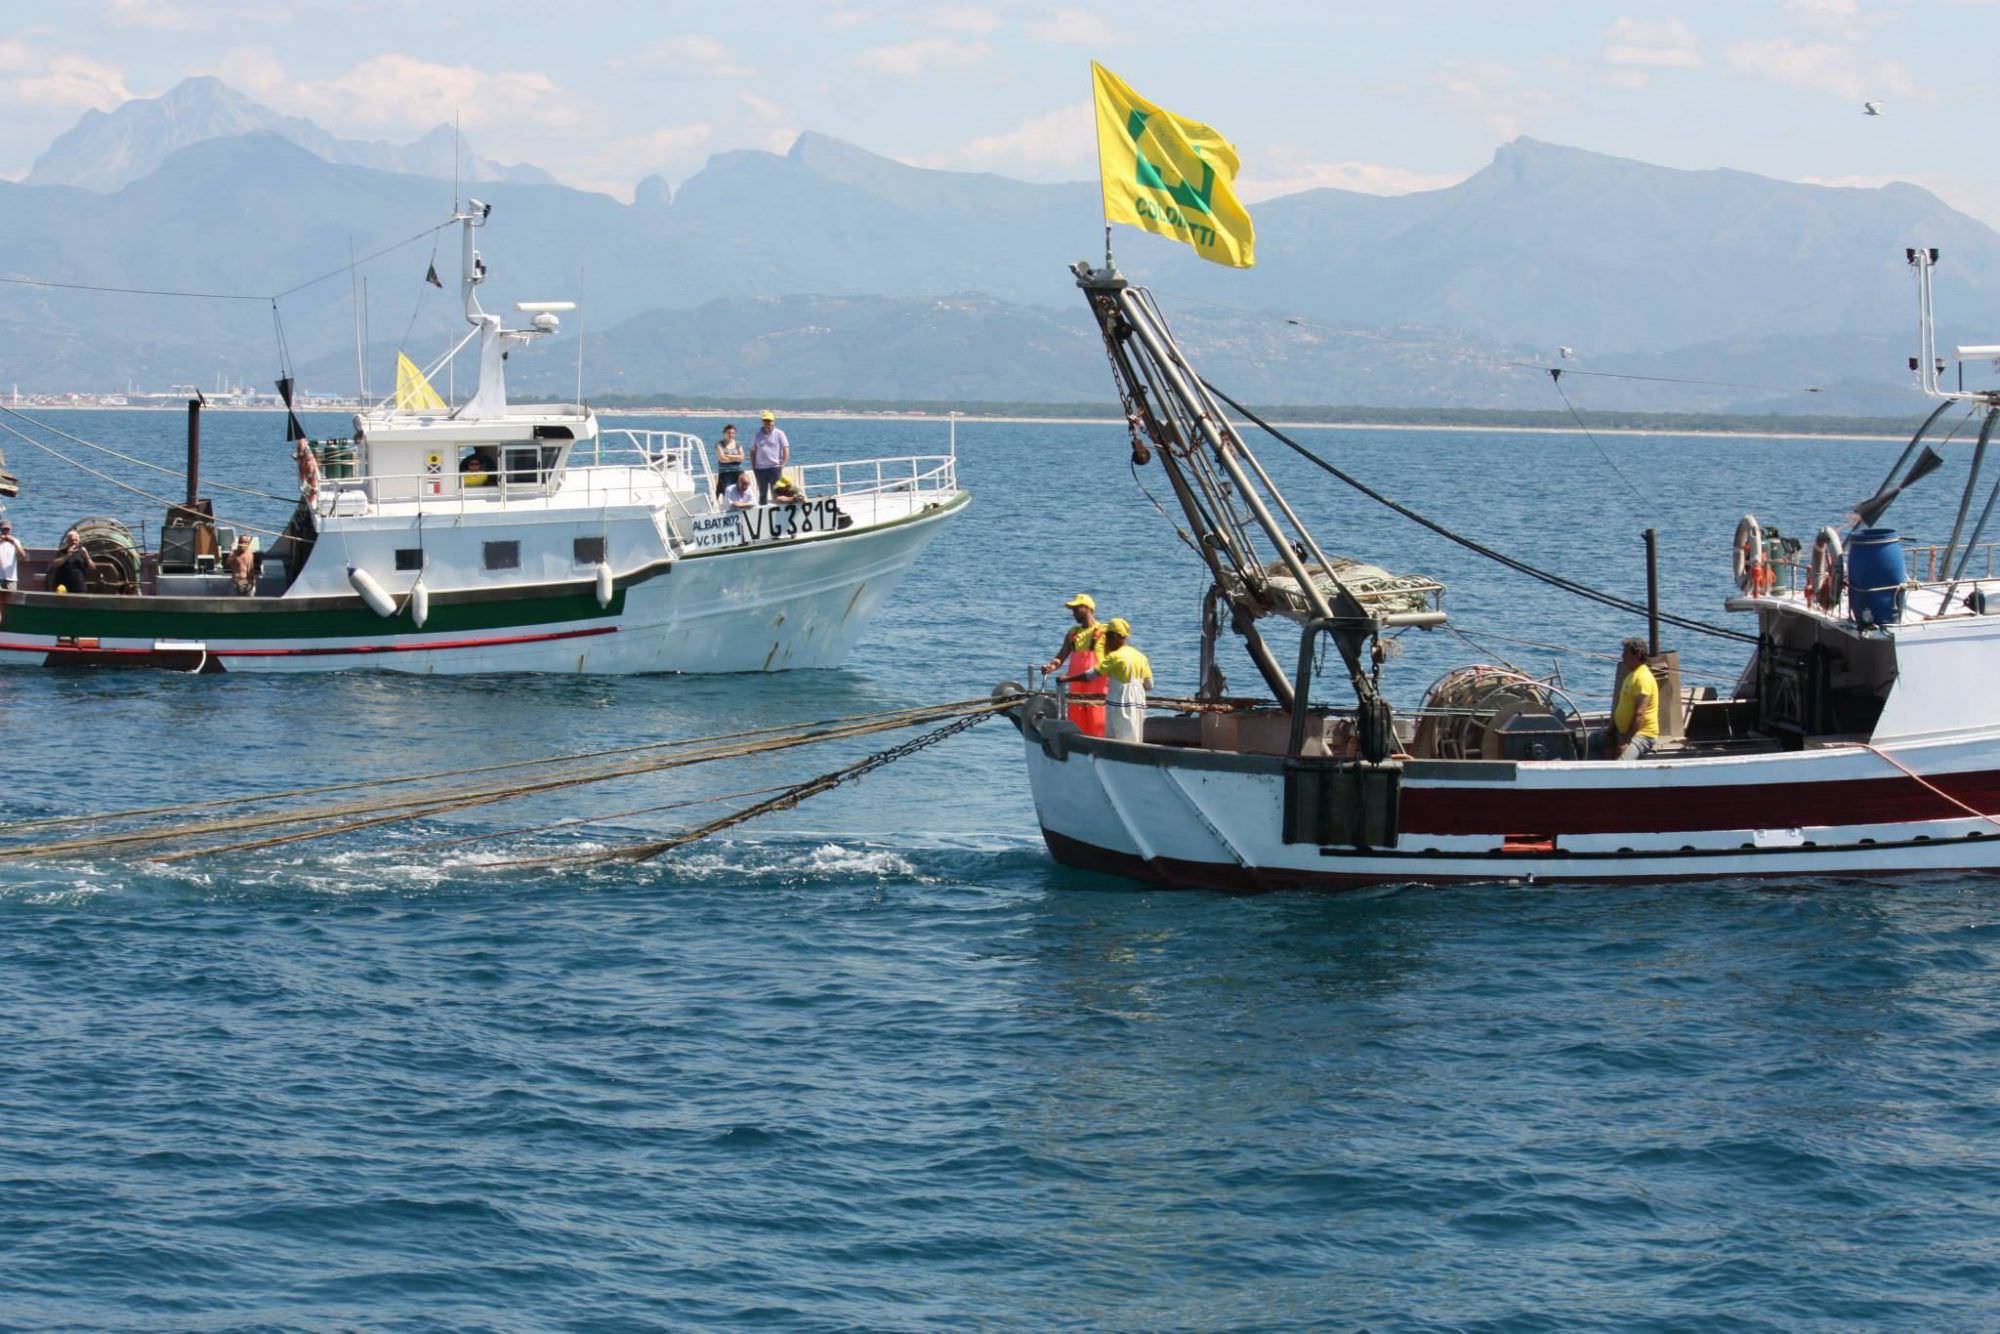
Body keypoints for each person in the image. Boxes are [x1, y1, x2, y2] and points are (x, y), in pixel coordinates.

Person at [1071, 617, 1153, 743]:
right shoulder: (1141, 657)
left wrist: (1067, 679)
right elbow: (1149, 685)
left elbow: (1090, 675)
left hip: (1119, 703)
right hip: (1138, 703)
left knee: (1117, 739)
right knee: (1135, 737)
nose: (1106, 642)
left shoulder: (1115, 657)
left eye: (1108, 637)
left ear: (1116, 636)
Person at [1044, 592, 1108, 737]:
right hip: (1075, 686)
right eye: (1072, 610)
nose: (1073, 613)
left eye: (1076, 609)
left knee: (1097, 723)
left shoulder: (1103, 631)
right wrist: (1052, 666)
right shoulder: (1073, 633)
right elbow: (1061, 656)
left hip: (1097, 686)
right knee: (1077, 725)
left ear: (1087, 608)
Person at [1606, 635, 1661, 760]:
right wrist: (1610, 731)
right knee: (1592, 742)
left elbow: (1639, 714)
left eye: (1626, 653)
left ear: (1637, 654)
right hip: (1621, 732)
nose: (1622, 656)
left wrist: (1626, 741)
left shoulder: (1643, 678)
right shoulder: (1631, 676)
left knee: (1622, 763)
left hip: (1641, 735)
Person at [750, 409, 790, 505]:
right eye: (765, 421)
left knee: (776, 492)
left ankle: (777, 510)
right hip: (760, 469)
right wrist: (753, 466)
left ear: (773, 421)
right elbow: (752, 451)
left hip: (774, 468)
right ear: (763, 422)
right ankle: (762, 510)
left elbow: (786, 449)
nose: (768, 423)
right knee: (762, 493)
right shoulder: (757, 435)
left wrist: (783, 464)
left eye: (769, 421)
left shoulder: (779, 433)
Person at [47, 528, 94, 594]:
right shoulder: (62, 552)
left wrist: (86, 556)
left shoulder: (82, 552)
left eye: (76, 540)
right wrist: (67, 556)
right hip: (63, 587)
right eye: (71, 540)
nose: (74, 542)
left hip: (79, 587)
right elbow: (55, 564)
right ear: (67, 542)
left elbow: (92, 567)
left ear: (79, 541)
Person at [713, 424, 745, 497]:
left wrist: (729, 456)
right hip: (725, 472)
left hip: (738, 471)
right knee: (728, 491)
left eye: (733, 433)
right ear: (725, 433)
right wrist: (736, 458)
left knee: (742, 489)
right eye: (729, 433)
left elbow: (742, 458)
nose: (731, 435)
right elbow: (722, 459)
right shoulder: (719, 444)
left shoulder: (738, 444)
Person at [293, 433, 320, 506]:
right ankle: (311, 498)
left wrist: (296, 456)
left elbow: (301, 454)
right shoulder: (303, 441)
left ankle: (312, 499)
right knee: (308, 482)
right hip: (306, 464)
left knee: (311, 482)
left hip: (308, 464)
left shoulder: (301, 441)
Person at [0, 520, 23, 591]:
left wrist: (13, 542)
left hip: (11, 579)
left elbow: (23, 556)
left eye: (7, 529)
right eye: (4, 529)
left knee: (11, 600)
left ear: (11, 529)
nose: (6, 531)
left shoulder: (15, 541)